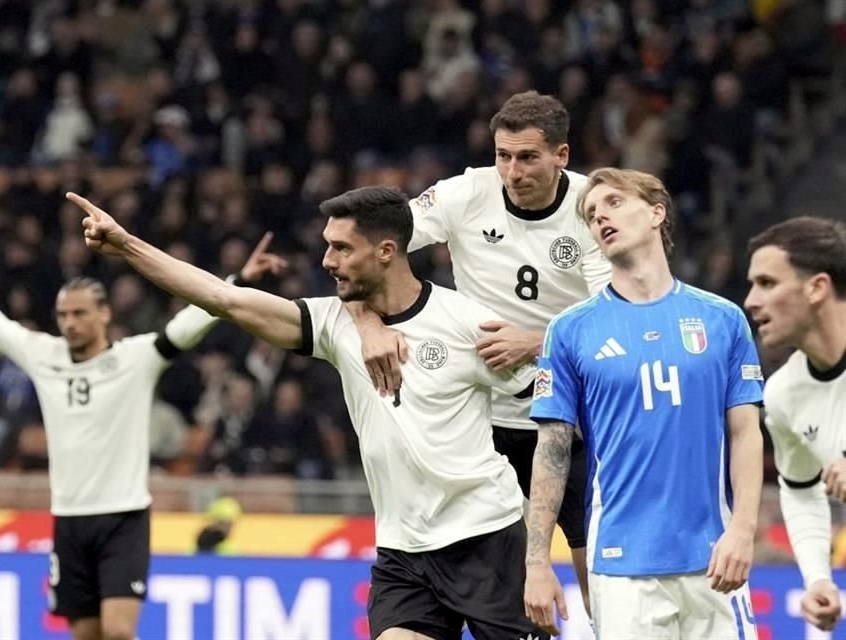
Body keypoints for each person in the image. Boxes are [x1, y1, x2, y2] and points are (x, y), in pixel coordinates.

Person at [68, 185, 541, 639]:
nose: (326, 261)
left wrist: (539, 554)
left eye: (341, 248)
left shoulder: (466, 324)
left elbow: (542, 426)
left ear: (386, 251)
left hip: (485, 539)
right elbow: (224, 299)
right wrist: (127, 245)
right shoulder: (336, 323)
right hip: (403, 549)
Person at [0, 226, 285, 640]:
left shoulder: (136, 358)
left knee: (117, 632)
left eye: (80, 314)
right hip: (70, 519)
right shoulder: (43, 356)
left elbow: (190, 323)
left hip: (123, 516)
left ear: (105, 315)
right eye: (63, 315)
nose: (70, 323)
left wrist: (239, 282)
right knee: (87, 635)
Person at [354, 91, 611, 611]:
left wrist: (539, 341)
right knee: (511, 594)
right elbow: (363, 250)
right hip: (481, 426)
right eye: (503, 156)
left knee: (602, 587)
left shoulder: (593, 207)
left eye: (528, 157)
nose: (512, 172)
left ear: (562, 156)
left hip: (573, 420)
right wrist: (367, 324)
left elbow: (619, 315)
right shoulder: (464, 194)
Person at [524, 168, 764, 639]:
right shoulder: (571, 330)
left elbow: (745, 433)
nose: (600, 218)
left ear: (657, 212)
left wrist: (742, 530)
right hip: (620, 563)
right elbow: (551, 452)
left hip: (715, 558)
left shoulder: (723, 320)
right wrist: (536, 562)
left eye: (613, 203)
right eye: (592, 215)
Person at [744, 216, 846, 632]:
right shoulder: (784, 394)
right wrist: (818, 576)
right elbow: (802, 491)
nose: (751, 300)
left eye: (767, 283)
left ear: (817, 287)